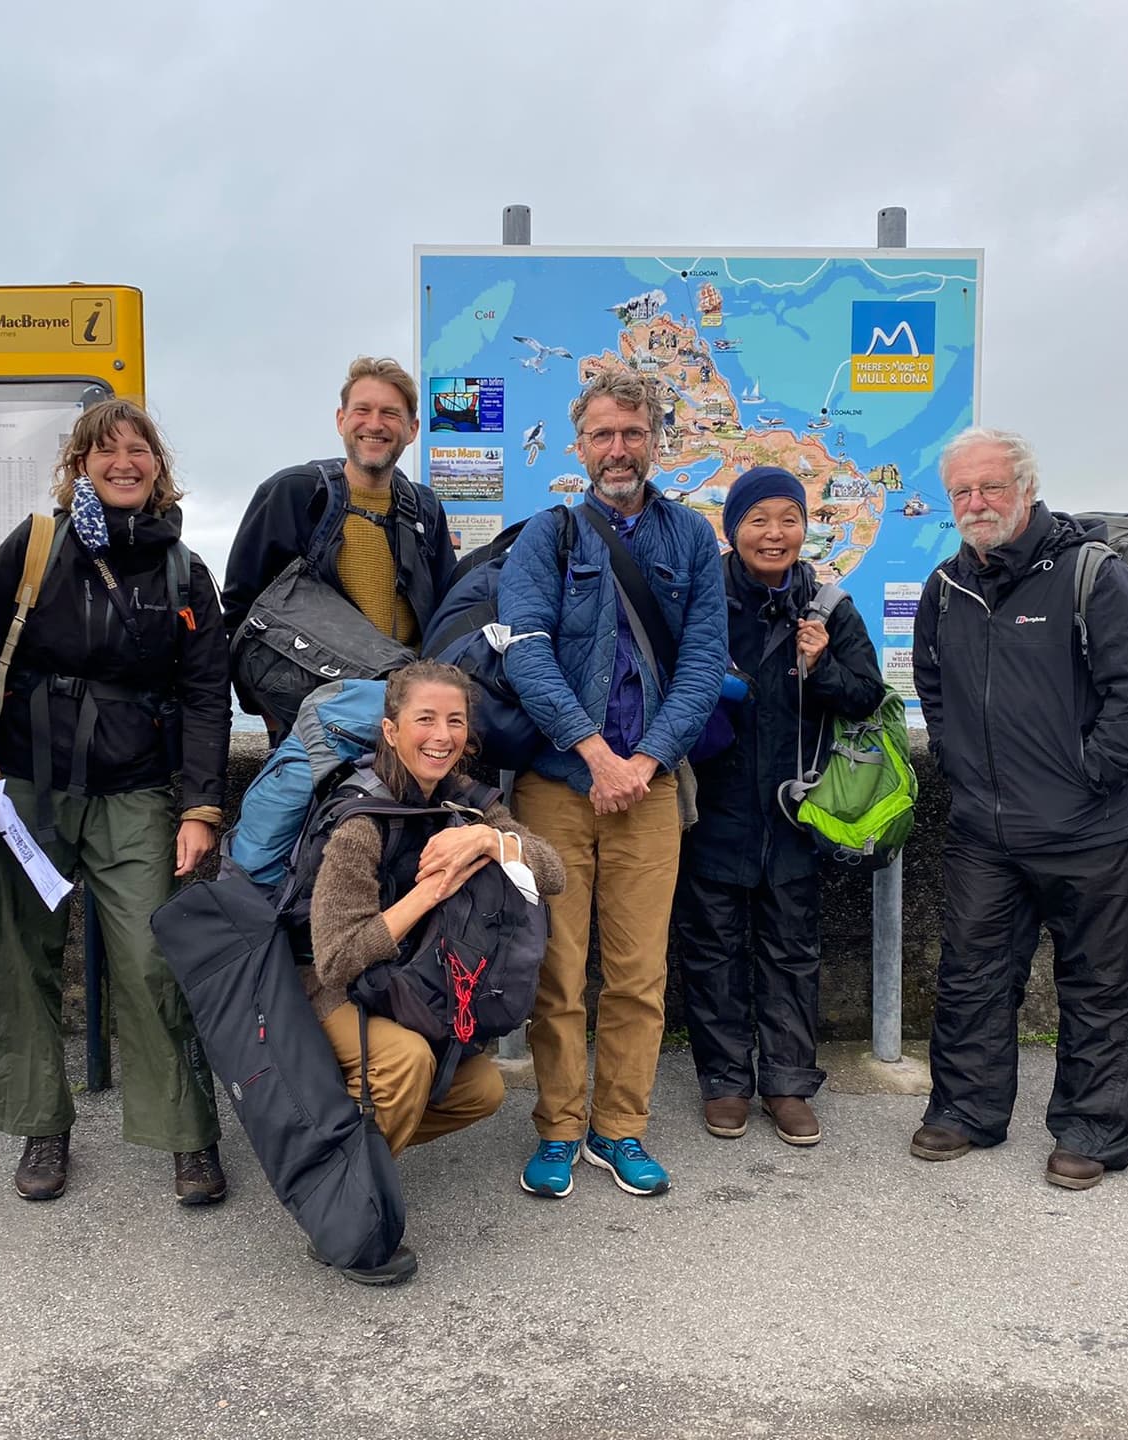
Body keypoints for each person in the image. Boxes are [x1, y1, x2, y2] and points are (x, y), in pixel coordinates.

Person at [0, 399, 231, 1207]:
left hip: (136, 788)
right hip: (27, 785)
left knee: (152, 962)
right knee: (18, 955)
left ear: (157, 464)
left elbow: (208, 693)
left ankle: (186, 1136)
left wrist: (199, 806)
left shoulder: (185, 569)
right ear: (79, 463)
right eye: (104, 450)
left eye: (137, 449)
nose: (123, 461)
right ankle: (44, 1125)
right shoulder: (36, 547)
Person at [911, 427, 1128, 1191]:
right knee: (971, 975)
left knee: (1097, 982)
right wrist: (963, 763)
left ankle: (1095, 1129)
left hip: (1095, 829)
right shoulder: (945, 588)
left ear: (1026, 488)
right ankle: (966, 1111)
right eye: (962, 491)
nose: (976, 503)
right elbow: (934, 686)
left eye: (990, 487)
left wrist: (1086, 773)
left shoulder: (1093, 576)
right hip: (985, 831)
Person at [496, 370, 727, 1200]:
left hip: (651, 787)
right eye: (603, 434)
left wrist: (645, 760)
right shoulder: (546, 538)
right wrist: (595, 752)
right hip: (558, 786)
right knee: (556, 974)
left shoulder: (693, 540)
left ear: (656, 439)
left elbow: (703, 664)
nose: (618, 448)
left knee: (638, 973)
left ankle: (619, 1128)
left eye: (633, 432)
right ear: (579, 444)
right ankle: (558, 1128)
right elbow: (524, 648)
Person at [304, 660, 565, 1283]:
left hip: (409, 990)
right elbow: (335, 956)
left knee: (482, 1090)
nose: (440, 735)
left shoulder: (466, 803)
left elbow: (551, 872)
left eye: (454, 720)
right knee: (407, 1066)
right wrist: (425, 894)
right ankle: (339, 1212)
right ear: (391, 731)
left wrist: (484, 843)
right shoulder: (359, 822)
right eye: (424, 719)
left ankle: (326, 1148)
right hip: (328, 991)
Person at [674, 466, 883, 1145]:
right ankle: (726, 1082)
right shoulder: (703, 599)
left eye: (786, 519)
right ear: (732, 529)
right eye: (757, 520)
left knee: (792, 950)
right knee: (712, 950)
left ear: (804, 526)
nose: (774, 533)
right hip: (715, 804)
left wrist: (821, 667)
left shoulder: (830, 606)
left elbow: (866, 697)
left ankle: (789, 1083)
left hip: (796, 811)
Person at [221, 356, 457, 654]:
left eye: (390, 413)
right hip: (314, 696)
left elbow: (447, 611)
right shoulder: (293, 494)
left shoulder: (426, 508)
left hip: (405, 694)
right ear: (341, 420)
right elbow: (240, 610)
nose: (374, 423)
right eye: (362, 410)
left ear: (412, 429)